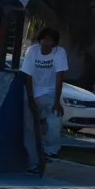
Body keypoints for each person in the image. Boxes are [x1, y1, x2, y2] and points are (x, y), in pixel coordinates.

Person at [19, 27, 67, 174]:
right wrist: (31, 99)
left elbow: (60, 77)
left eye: (50, 40)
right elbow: (28, 76)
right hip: (33, 92)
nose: (46, 43)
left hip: (51, 94)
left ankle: (50, 150)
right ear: (40, 40)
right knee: (29, 129)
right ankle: (33, 163)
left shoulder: (59, 53)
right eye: (44, 39)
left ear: (54, 43)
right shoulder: (32, 51)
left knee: (55, 119)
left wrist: (57, 101)